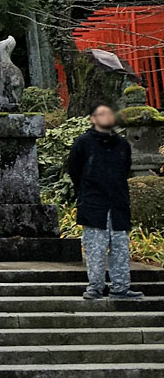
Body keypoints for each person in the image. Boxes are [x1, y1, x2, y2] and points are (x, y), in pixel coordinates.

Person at [67, 101, 142, 300]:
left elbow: (125, 169)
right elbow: (74, 169)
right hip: (93, 203)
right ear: (93, 119)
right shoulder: (84, 142)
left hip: (118, 203)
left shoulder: (122, 144)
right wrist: (85, 190)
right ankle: (95, 287)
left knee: (120, 248)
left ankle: (120, 287)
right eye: (101, 114)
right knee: (95, 249)